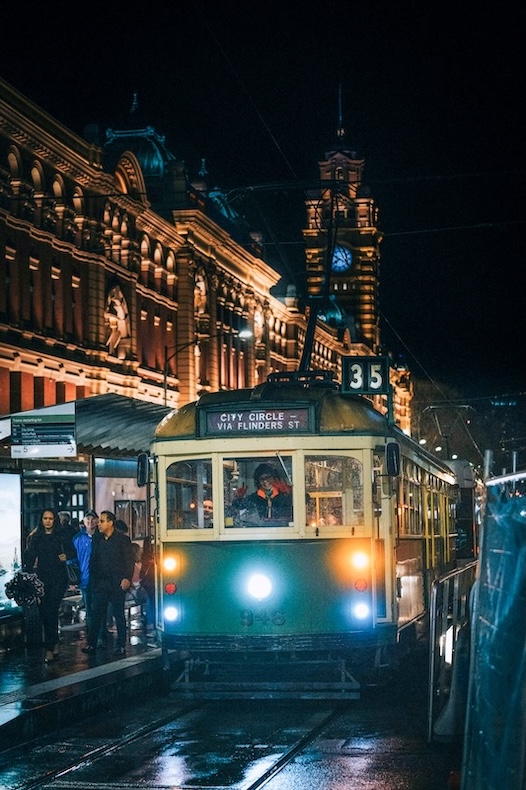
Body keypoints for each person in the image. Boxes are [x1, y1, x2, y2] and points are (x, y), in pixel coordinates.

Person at [23, 508, 75, 662]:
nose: (47, 521)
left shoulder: (61, 536)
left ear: (54, 520)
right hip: (42, 578)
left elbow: (72, 552)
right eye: (45, 518)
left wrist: (67, 556)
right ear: (41, 520)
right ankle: (54, 641)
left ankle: (49, 648)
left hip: (59, 578)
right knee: (44, 612)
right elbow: (30, 557)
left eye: (50, 518)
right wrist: (26, 575)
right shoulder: (36, 537)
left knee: (51, 610)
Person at [82, 509, 134, 657]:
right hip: (101, 583)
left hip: (117, 583)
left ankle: (121, 645)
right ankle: (92, 643)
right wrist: (92, 581)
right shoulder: (97, 539)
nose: (99, 524)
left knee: (118, 613)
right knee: (97, 613)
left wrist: (127, 578)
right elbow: (93, 560)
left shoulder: (122, 540)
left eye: (102, 521)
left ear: (110, 523)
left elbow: (129, 561)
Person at [72, 508, 107, 646]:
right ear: (84, 521)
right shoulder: (77, 538)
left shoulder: (102, 537)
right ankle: (92, 639)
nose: (90, 521)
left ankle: (101, 637)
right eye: (88, 519)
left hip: (99, 580)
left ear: (97, 521)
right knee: (90, 610)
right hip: (84, 579)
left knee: (100, 609)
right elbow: (73, 559)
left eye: (93, 519)